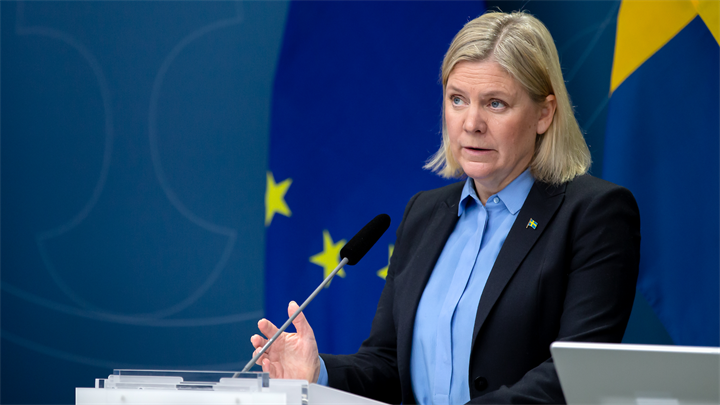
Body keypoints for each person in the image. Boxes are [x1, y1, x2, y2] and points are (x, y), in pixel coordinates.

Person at [250, 10, 640, 405]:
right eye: (457, 99)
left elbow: (575, 374)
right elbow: (387, 364)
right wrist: (318, 372)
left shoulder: (595, 214)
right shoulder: (424, 214)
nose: (471, 123)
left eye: (495, 103)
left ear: (544, 113)